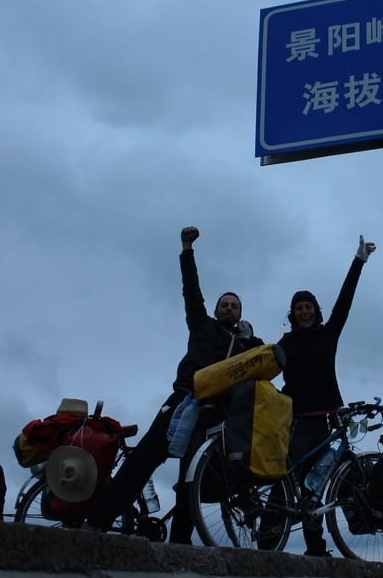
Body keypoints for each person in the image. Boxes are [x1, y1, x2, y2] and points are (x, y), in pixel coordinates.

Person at [85, 226, 263, 543]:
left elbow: (262, 366)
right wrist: (186, 250)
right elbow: (191, 290)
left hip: (214, 414)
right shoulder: (202, 325)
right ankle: (98, 522)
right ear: (216, 309)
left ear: (241, 315)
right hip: (183, 401)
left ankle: (180, 542)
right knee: (143, 461)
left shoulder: (243, 345)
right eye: (225, 304)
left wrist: (250, 343)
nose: (230, 308)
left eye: (235, 306)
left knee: (189, 479)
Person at [277, 234, 376, 557]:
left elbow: (345, 300)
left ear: (315, 311)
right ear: (292, 313)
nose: (304, 312)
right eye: (298, 308)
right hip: (295, 422)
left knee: (317, 489)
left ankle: (316, 549)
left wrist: (358, 261)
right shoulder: (285, 344)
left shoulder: (327, 334)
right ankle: (268, 544)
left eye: (308, 307)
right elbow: (261, 365)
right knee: (290, 485)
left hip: (325, 422)